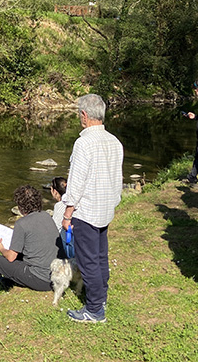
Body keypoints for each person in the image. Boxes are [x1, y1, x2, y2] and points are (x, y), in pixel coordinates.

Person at [61, 94, 124, 323]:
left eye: (79, 114)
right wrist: (113, 202)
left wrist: (68, 213)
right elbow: (118, 179)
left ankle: (95, 309)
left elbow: (76, 183)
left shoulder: (84, 142)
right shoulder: (114, 141)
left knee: (88, 261)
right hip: (105, 208)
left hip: (87, 211)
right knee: (100, 257)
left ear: (84, 115)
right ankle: (101, 296)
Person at [0, 185, 60, 304]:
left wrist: (1, 248)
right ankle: (8, 281)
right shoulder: (46, 215)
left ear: (20, 206)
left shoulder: (22, 223)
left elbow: (11, 257)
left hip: (41, 280)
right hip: (56, 275)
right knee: (22, 253)